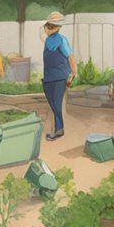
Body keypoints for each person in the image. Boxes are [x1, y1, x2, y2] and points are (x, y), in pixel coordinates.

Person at [41, 11, 77, 141]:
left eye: (51, 26)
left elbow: (70, 57)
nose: (47, 29)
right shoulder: (47, 41)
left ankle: (58, 130)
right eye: (48, 26)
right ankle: (58, 128)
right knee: (53, 103)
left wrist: (73, 73)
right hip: (49, 77)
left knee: (56, 104)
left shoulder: (62, 40)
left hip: (60, 77)